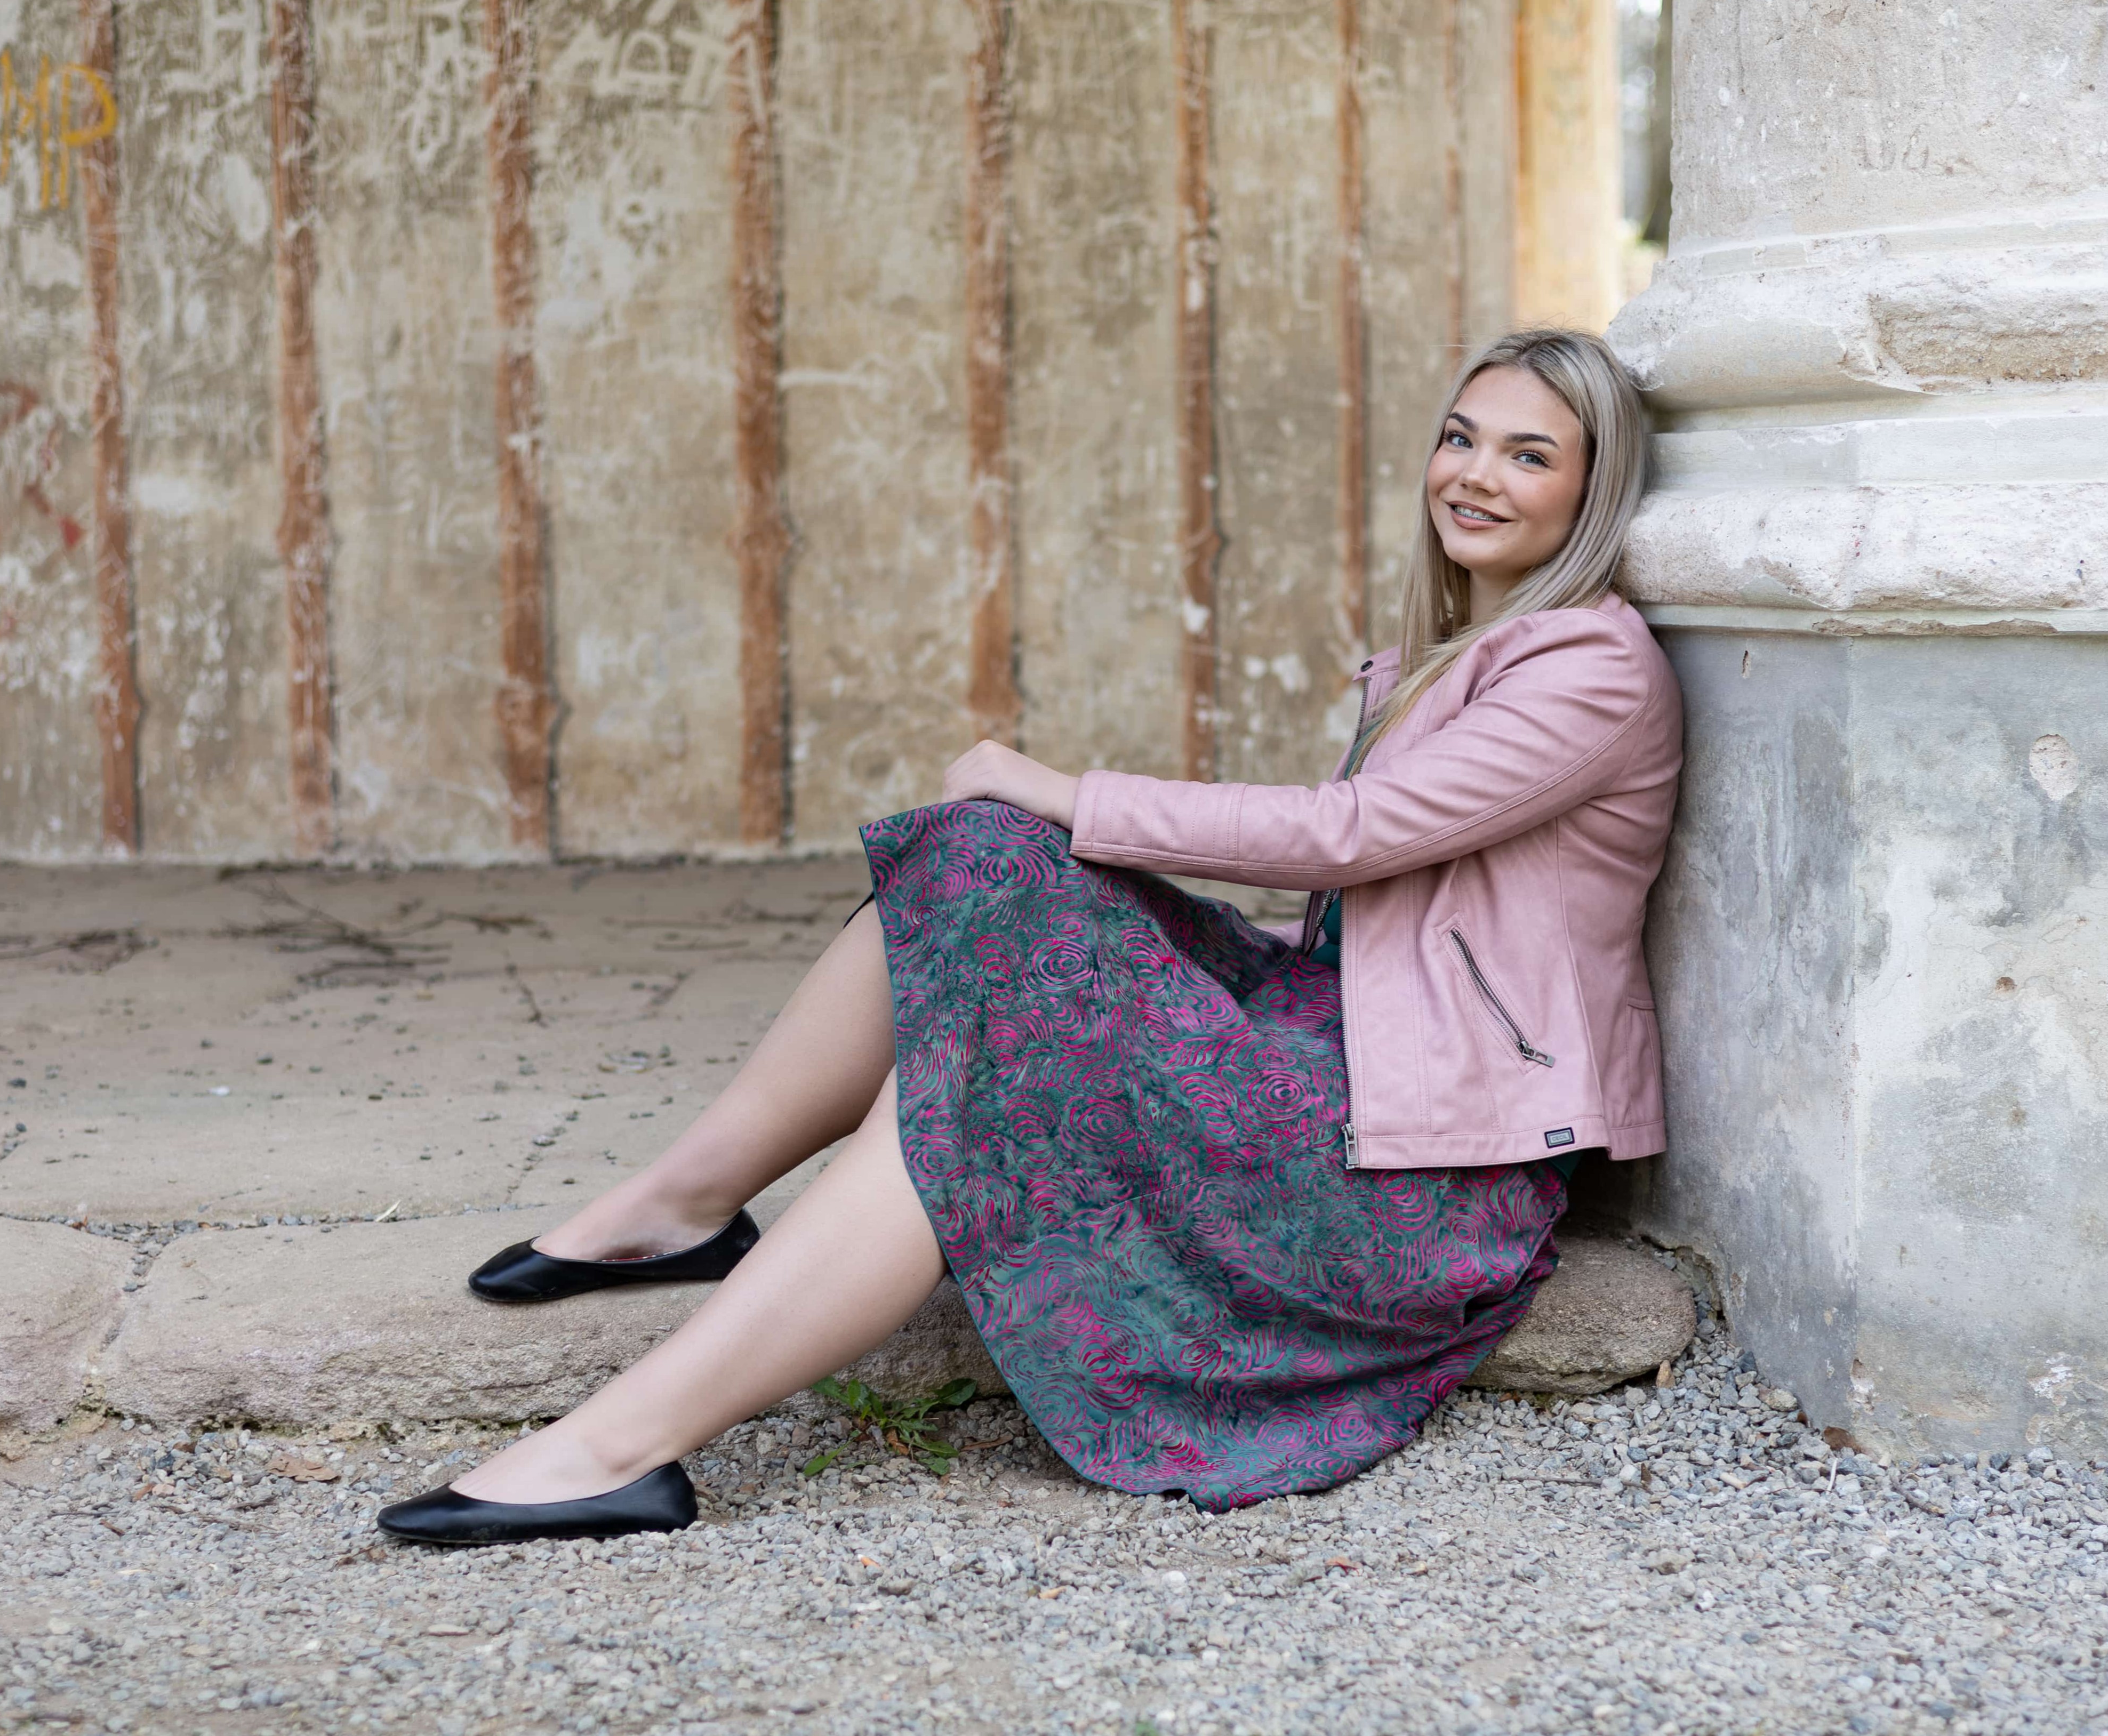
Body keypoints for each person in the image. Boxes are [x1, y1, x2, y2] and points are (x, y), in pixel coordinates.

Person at [378, 327, 1681, 1545]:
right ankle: (685, 1202)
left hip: (1419, 1167)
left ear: (1593, 492)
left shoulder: (1590, 667)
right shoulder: (1459, 653)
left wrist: (1067, 788)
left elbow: (1352, 833)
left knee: (991, 1041)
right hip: (1334, 1058)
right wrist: (1040, 820)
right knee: (980, 856)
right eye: (1460, 437)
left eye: (1528, 455)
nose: (1474, 475)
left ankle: (622, 1440)